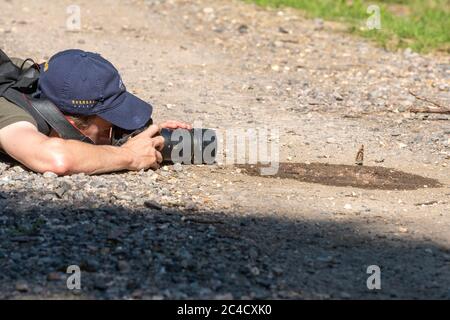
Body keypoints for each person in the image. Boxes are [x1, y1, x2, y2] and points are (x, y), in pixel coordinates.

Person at [0, 49, 191, 175]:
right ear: (69, 125)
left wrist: (148, 133)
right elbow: (56, 159)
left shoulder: (34, 75)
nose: (117, 134)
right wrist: (129, 156)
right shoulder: (10, 112)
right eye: (108, 129)